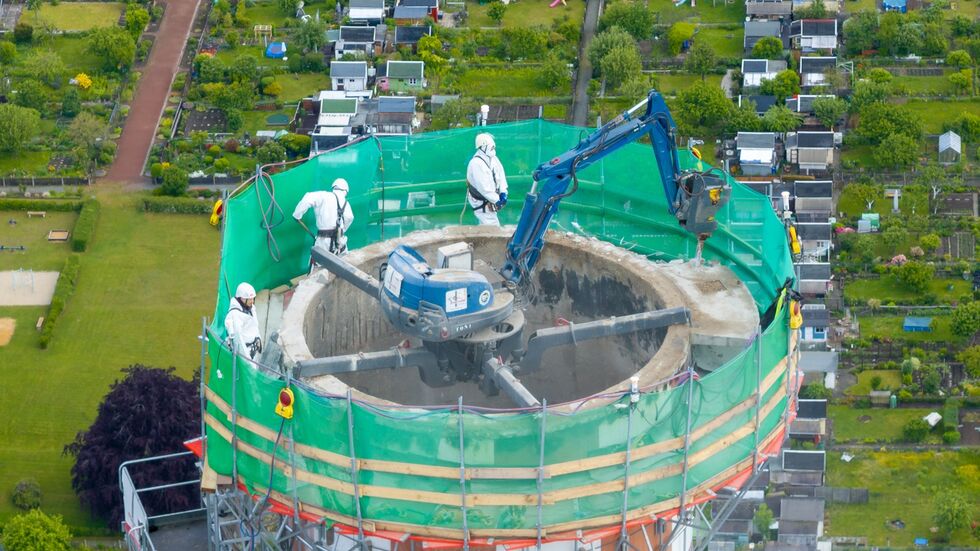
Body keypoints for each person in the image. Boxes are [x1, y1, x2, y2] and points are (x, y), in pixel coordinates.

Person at [293, 178, 355, 256]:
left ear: (334, 187)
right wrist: (342, 230)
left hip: (323, 242)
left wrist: (297, 215)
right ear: (345, 191)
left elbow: (307, 199)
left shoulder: (323, 195)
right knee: (342, 265)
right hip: (340, 242)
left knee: (320, 265)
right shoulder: (346, 203)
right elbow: (349, 218)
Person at [466, 133, 509, 226]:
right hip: (480, 201)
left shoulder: (493, 158)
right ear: (482, 147)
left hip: (491, 198)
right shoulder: (476, 163)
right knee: (492, 225)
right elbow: (484, 189)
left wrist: (503, 192)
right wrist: (497, 200)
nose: (493, 149)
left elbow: (501, 174)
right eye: (491, 147)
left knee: (486, 225)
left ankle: (480, 239)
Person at [225, 282, 262, 362]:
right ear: (242, 298)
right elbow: (238, 339)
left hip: (253, 351)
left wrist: (258, 338)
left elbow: (255, 325)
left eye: (253, 298)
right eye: (249, 299)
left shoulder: (250, 308)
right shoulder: (235, 315)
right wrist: (247, 361)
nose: (252, 301)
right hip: (244, 356)